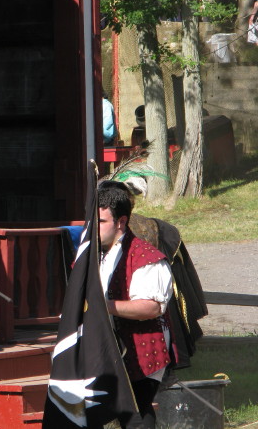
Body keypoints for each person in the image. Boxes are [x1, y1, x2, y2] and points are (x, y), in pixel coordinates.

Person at [98, 181, 174, 429]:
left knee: (136, 414)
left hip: (142, 349)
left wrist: (103, 306)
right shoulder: (97, 254)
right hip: (110, 349)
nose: (93, 229)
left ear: (120, 222)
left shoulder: (146, 257)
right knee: (123, 412)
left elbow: (150, 307)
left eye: (100, 222)